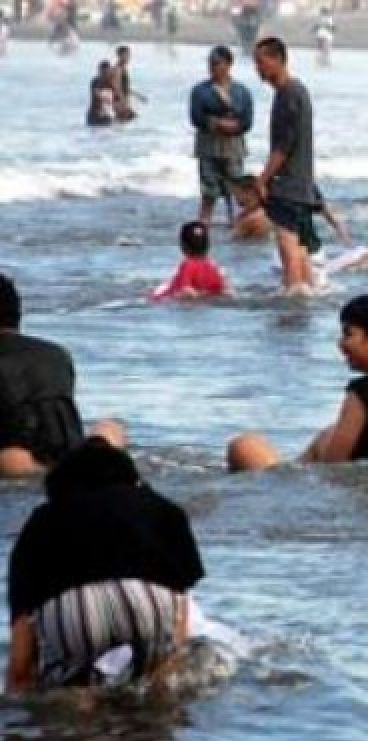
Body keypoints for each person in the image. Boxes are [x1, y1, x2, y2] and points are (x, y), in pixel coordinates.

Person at [6, 438, 206, 693]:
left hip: (73, 611)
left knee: (72, 690)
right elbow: (180, 596)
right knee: (159, 680)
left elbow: (22, 653)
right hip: (149, 600)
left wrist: (18, 689)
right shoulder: (159, 507)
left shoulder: (42, 519)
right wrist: (168, 660)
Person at [227, 295, 368, 471]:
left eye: (348, 334)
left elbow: (333, 468)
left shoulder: (363, 392)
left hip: (329, 483)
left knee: (244, 445)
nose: (340, 344)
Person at [0, 275, 126, 479]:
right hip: (72, 454)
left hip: (21, 461)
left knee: (12, 459)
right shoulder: (57, 354)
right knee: (111, 428)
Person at [254, 37, 320, 293]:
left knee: (288, 243)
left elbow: (284, 145)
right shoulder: (297, 91)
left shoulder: (288, 94)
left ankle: (293, 300)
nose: (258, 69)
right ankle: (305, 294)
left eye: (262, 62)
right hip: (302, 185)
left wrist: (262, 180)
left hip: (288, 184)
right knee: (301, 248)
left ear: (279, 60)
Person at [190, 45, 254, 227]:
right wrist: (217, 124)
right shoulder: (200, 91)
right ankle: (204, 226)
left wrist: (234, 127)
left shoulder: (242, 92)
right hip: (208, 146)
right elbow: (196, 117)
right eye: (210, 64)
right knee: (208, 192)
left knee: (236, 192)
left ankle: (235, 224)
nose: (212, 67)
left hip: (233, 147)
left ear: (228, 65)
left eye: (216, 63)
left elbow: (247, 121)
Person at [151, 221, 230, 301]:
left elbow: (186, 290)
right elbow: (227, 291)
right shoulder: (214, 265)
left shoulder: (188, 265)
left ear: (183, 246)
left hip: (178, 298)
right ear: (208, 246)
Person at [112, 45, 143, 123]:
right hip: (119, 102)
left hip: (122, 102)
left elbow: (125, 87)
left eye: (129, 55)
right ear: (120, 55)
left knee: (123, 123)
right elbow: (116, 87)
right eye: (127, 55)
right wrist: (123, 103)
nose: (129, 58)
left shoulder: (123, 69)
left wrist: (138, 96)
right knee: (126, 121)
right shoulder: (118, 69)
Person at [86, 61, 117, 127]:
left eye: (107, 72)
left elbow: (116, 98)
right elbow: (96, 93)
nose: (105, 74)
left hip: (107, 115)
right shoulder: (95, 81)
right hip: (94, 115)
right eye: (103, 72)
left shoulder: (111, 83)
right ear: (99, 71)